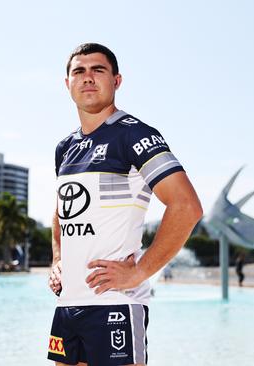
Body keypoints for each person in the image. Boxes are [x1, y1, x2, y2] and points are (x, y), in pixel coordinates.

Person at [47, 43, 203, 366]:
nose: (87, 78)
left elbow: (186, 206)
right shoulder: (65, 148)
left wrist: (140, 271)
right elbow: (62, 211)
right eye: (79, 71)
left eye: (98, 70)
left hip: (115, 304)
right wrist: (58, 259)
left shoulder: (134, 135)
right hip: (67, 307)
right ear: (67, 84)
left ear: (116, 81)